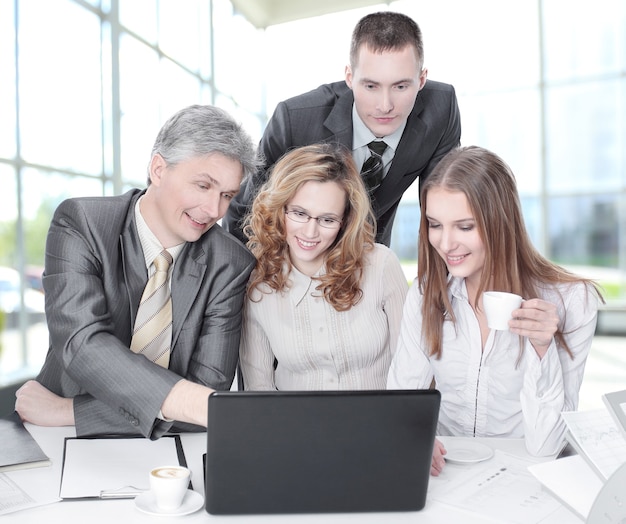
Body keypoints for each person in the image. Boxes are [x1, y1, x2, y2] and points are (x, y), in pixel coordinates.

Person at [15, 104, 259, 438]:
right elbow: (84, 344)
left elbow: (208, 391)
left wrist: (69, 412)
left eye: (227, 195)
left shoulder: (230, 263)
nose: (214, 210)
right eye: (203, 186)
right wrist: (187, 401)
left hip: (143, 439)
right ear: (158, 169)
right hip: (56, 438)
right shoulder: (82, 224)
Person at [387, 146, 602, 475]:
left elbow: (546, 444)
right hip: (446, 472)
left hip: (525, 475)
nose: (445, 244)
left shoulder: (573, 300)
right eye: (435, 224)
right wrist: (413, 437)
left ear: (500, 222)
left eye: (465, 227)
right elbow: (401, 403)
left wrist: (541, 349)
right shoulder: (425, 292)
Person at [223, 11, 461, 248]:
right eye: (370, 86)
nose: (385, 105)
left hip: (371, 258)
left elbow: (445, 212)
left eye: (400, 86)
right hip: (294, 260)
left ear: (421, 80)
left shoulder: (441, 110)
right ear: (349, 77)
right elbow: (246, 211)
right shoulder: (294, 120)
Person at [239, 143, 408, 390]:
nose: (310, 232)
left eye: (327, 219)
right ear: (279, 209)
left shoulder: (381, 265)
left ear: (345, 220)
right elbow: (258, 387)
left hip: (381, 425)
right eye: (299, 213)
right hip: (296, 427)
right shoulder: (258, 284)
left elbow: (412, 371)